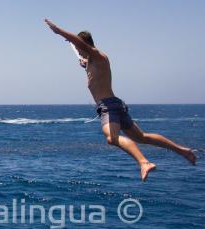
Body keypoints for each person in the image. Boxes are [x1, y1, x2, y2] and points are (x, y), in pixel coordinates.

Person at [44, 19, 197, 181]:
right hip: (114, 105)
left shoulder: (98, 55)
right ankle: (182, 151)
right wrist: (85, 62)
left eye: (80, 48)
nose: (80, 53)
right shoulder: (92, 61)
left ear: (85, 45)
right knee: (141, 137)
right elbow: (88, 62)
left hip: (109, 107)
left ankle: (144, 162)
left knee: (112, 138)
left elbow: (82, 47)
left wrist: (59, 31)